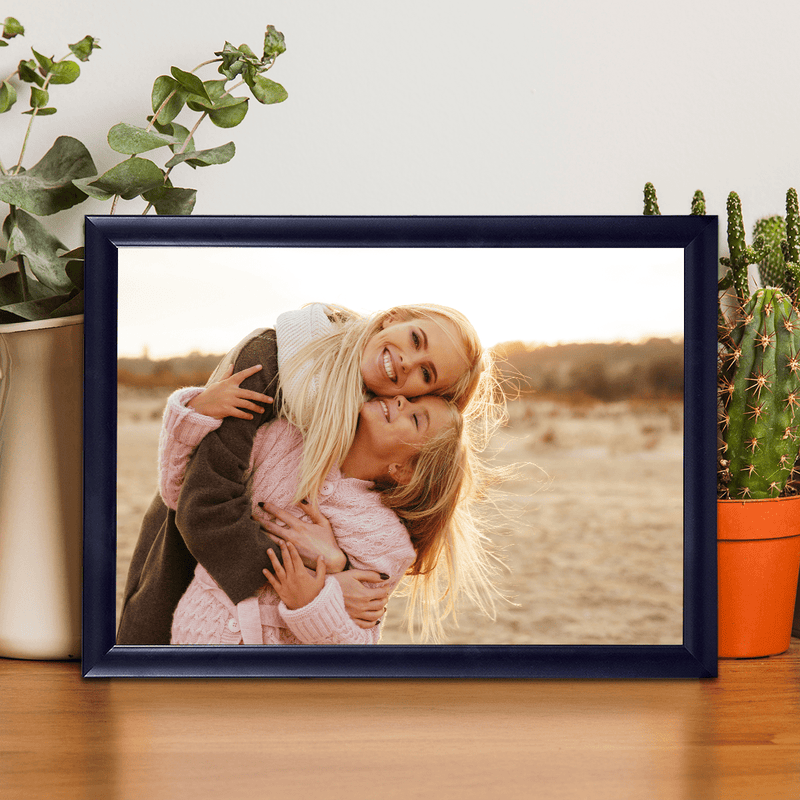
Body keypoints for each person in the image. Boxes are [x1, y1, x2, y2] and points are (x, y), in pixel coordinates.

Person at [117, 302, 503, 645]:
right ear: (392, 318)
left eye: (426, 377)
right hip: (184, 573)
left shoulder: (374, 425)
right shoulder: (276, 359)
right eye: (416, 339)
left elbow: (361, 619)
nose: (407, 368)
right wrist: (325, 580)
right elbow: (201, 506)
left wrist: (334, 575)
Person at [159, 382, 471, 644]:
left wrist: (312, 599)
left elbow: (359, 643)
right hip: (196, 638)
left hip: (279, 692)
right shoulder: (281, 439)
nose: (401, 399)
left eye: (417, 419)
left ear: (404, 470)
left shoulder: (387, 541)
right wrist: (194, 412)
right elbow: (180, 495)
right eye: (411, 398)